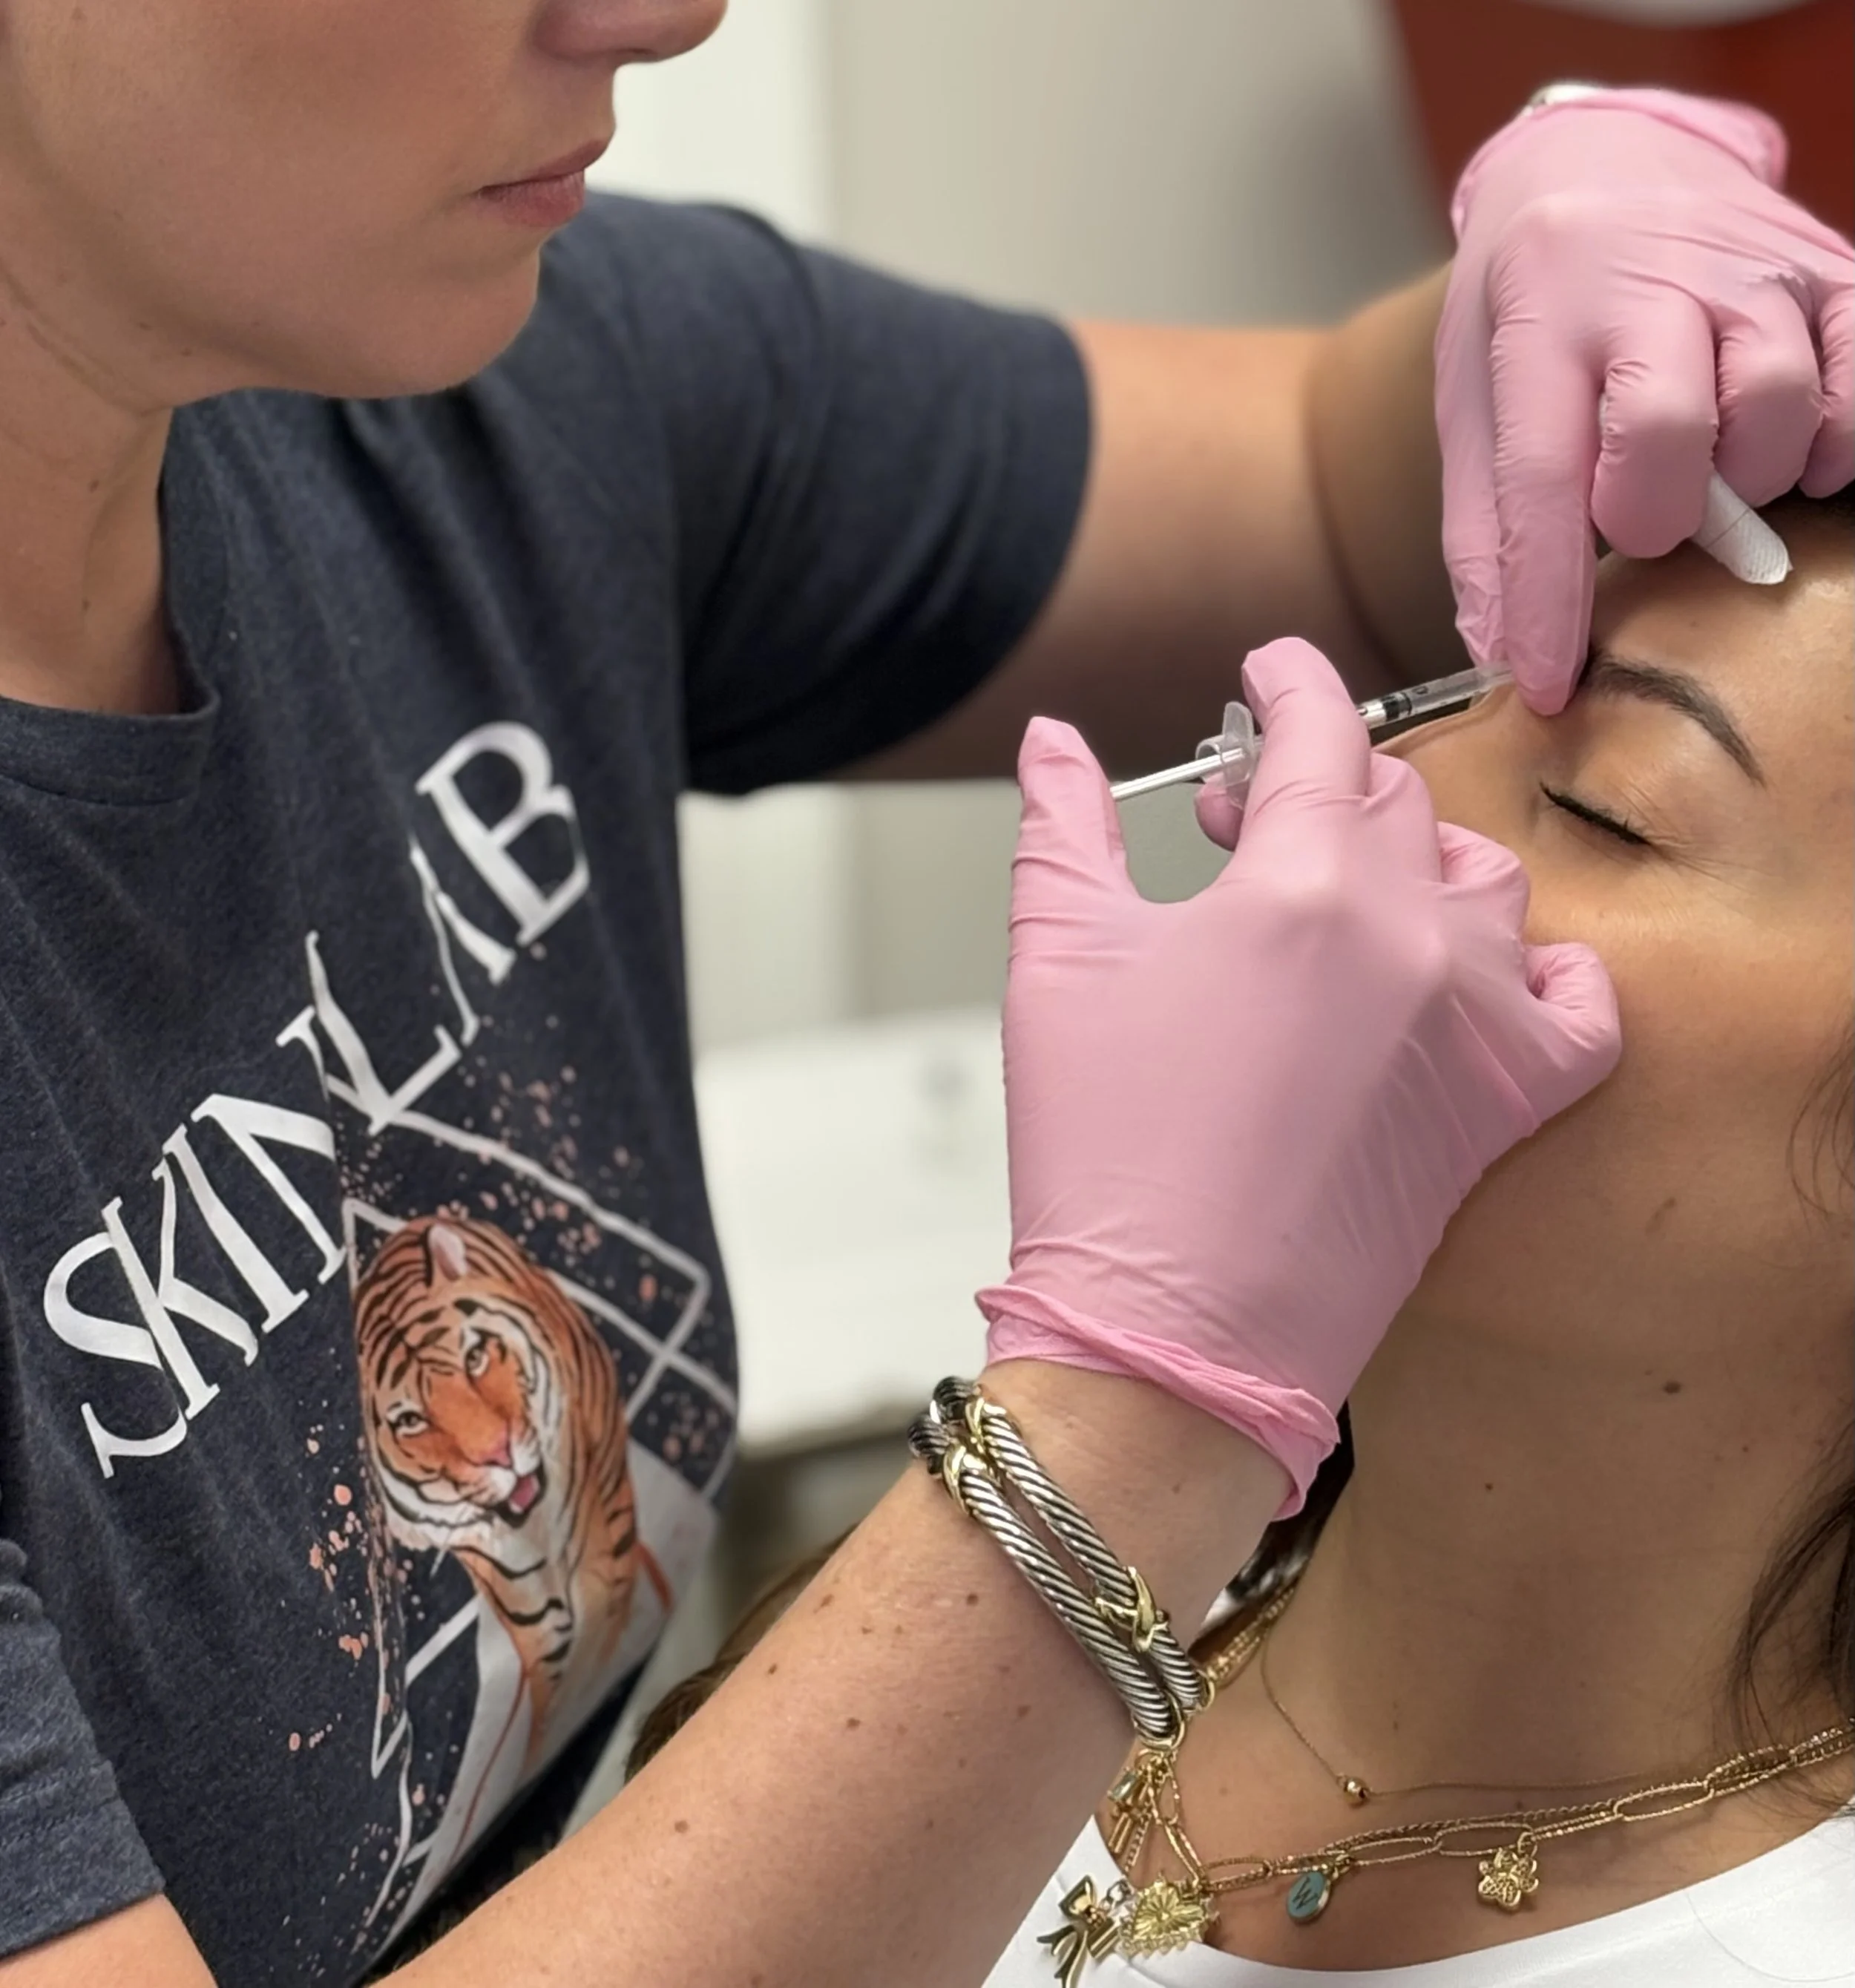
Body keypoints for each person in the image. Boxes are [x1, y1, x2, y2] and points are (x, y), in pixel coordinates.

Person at [0, 1, 1845, 1983]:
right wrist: (1134, 1400)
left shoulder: (477, 398)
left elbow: (1333, 490)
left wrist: (1551, 310)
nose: (672, 12)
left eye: (1600, 797)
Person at [971, 488, 1854, 1983]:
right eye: (1459, 690)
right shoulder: (980, 1662)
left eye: (1603, 803)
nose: (1371, 784)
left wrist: (1115, 1402)